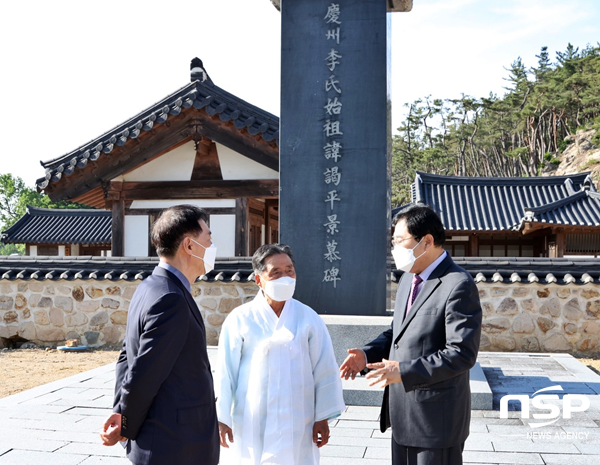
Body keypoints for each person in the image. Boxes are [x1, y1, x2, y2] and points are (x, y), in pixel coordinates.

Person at [340, 204, 482, 465]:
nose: (395, 249)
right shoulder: (409, 277)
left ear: (427, 241)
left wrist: (403, 370)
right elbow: (399, 331)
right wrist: (366, 354)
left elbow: (461, 353)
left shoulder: (458, 284)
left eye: (399, 241)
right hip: (403, 414)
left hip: (436, 420)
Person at [100, 205, 220, 465]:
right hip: (175, 443)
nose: (212, 246)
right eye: (208, 239)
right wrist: (124, 425)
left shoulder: (150, 286)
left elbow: (126, 357)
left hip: (164, 440)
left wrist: (121, 411)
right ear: (189, 245)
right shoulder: (171, 298)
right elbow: (144, 372)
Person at [216, 243, 345, 465]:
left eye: (289, 271)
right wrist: (221, 418)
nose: (285, 277)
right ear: (259, 280)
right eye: (275, 273)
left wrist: (322, 417)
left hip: (298, 417)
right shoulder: (240, 318)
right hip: (251, 417)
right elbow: (226, 372)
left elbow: (324, 369)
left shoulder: (308, 318)